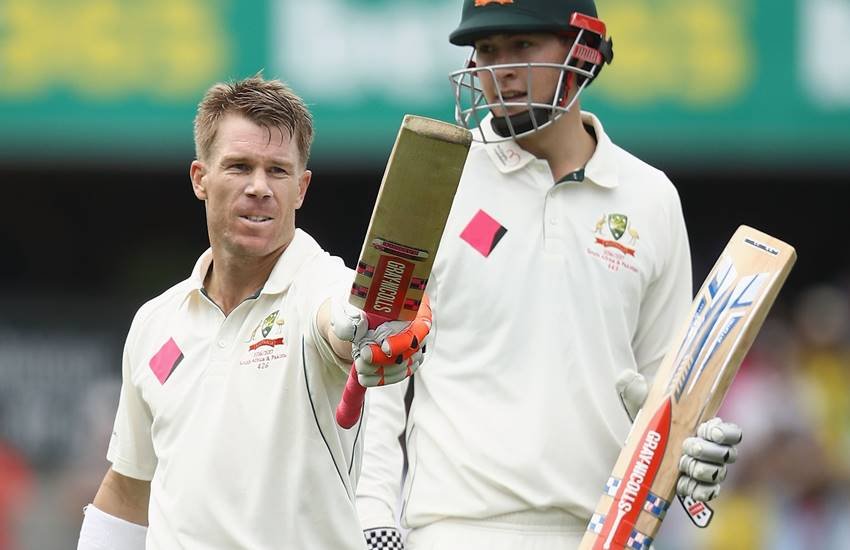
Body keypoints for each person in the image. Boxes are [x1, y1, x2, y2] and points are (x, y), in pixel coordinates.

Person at [356, 1, 742, 548]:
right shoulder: (431, 176)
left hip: (602, 531)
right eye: (487, 50)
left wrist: (690, 449)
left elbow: (666, 387)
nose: (501, 69)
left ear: (582, 52)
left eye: (523, 46)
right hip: (454, 530)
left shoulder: (650, 198)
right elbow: (376, 363)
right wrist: (374, 514)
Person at [75, 74, 428, 550]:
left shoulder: (323, 286)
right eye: (239, 166)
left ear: (301, 188)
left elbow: (342, 323)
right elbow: (128, 487)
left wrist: (367, 336)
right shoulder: (155, 321)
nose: (259, 187)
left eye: (278, 171)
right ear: (201, 178)